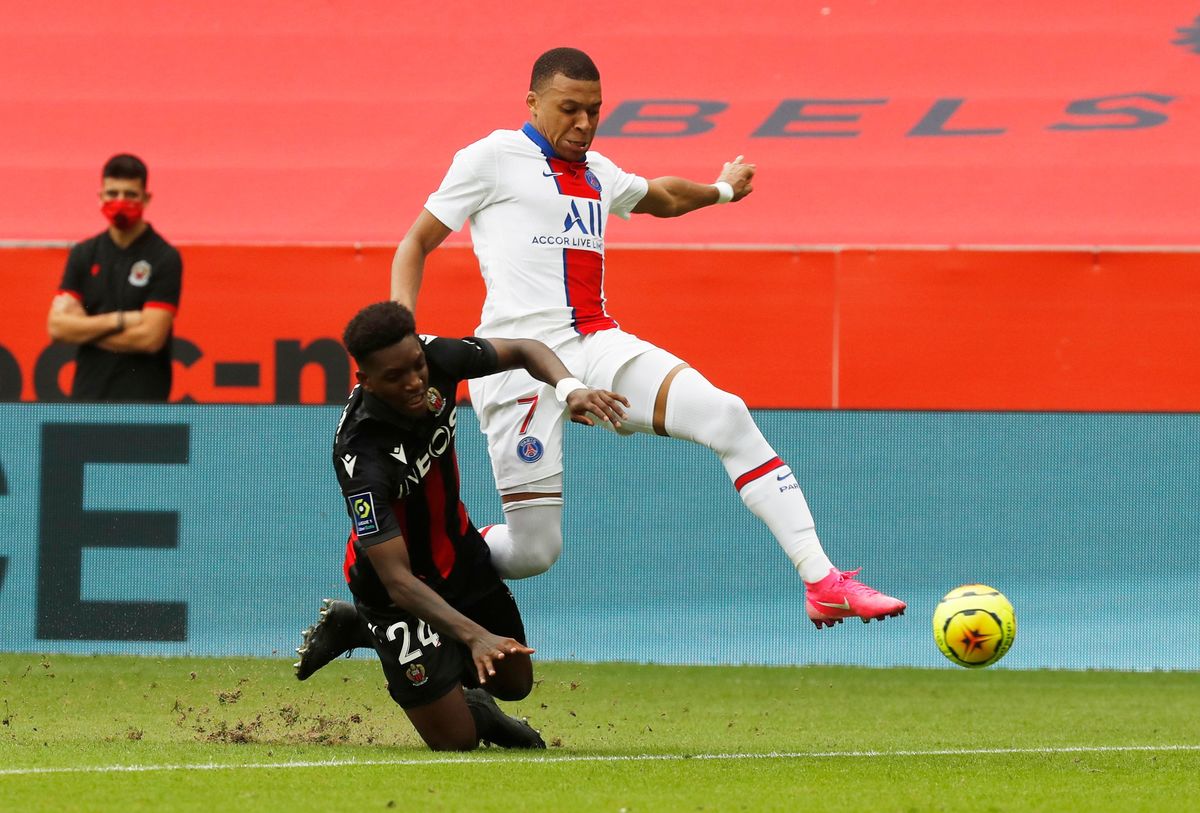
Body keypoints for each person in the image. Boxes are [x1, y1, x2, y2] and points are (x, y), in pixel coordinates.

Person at [388, 47, 906, 629]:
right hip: (515, 366)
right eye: (568, 108)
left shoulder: (598, 173)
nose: (584, 123)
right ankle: (429, 562)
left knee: (727, 414)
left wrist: (722, 190)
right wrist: (402, 343)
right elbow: (415, 244)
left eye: (594, 110)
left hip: (595, 343)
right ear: (532, 103)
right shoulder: (490, 158)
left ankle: (822, 581)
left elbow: (665, 197)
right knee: (535, 552)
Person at [295, 301, 626, 751]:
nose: (415, 381)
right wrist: (474, 636)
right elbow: (397, 581)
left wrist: (570, 389)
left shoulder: (438, 357)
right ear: (365, 380)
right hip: (396, 594)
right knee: (456, 741)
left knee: (514, 681)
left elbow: (525, 349)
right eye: (395, 376)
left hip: (459, 556)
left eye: (417, 365)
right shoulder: (360, 454)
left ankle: (372, 633)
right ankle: (388, 641)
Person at [46, 153, 182, 402]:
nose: (120, 202)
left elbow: (151, 338)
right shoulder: (84, 253)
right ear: (100, 197)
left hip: (144, 401)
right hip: (88, 398)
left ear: (146, 198)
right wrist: (122, 320)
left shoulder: (164, 257)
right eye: (112, 193)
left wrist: (84, 327)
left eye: (130, 195)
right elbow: (57, 328)